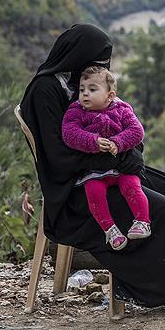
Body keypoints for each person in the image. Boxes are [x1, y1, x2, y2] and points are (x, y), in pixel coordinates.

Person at [19, 23, 165, 313]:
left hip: (111, 167)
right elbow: (58, 155)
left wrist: (130, 152)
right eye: (97, 62)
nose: (101, 69)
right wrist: (113, 159)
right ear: (78, 55)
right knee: (161, 208)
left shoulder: (76, 82)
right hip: (76, 188)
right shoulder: (45, 90)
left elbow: (117, 121)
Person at [62, 66, 150, 251]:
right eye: (82, 89)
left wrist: (118, 142)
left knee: (132, 187)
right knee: (94, 192)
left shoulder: (122, 109)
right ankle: (110, 230)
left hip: (122, 167)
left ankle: (142, 221)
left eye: (92, 89)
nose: (85, 94)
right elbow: (69, 133)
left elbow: (137, 131)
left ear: (110, 96)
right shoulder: (76, 111)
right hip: (94, 170)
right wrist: (92, 141)